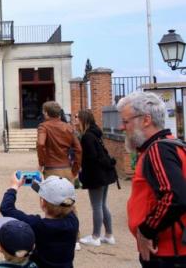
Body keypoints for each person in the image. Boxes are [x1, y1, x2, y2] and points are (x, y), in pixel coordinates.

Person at [118, 91, 186, 267]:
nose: (122, 127)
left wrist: (146, 230)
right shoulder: (173, 145)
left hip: (167, 254)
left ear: (146, 120)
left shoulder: (158, 150)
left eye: (126, 122)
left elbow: (174, 196)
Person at [0, 174, 79, 268]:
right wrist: (41, 186)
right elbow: (65, 204)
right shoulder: (73, 221)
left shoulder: (39, 225)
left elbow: (6, 208)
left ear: (42, 203)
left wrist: (14, 186)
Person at [76, 109, 117, 247]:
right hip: (104, 174)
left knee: (96, 206)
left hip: (96, 176)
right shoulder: (96, 133)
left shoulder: (87, 136)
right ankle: (109, 235)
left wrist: (82, 172)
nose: (75, 120)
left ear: (83, 120)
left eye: (77, 117)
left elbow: (92, 158)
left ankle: (95, 237)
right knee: (102, 204)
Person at [36, 101, 82, 181]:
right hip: (67, 168)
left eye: (43, 112)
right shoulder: (68, 127)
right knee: (67, 193)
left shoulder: (43, 126)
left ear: (46, 113)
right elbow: (78, 149)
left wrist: (41, 163)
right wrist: (75, 169)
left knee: (50, 193)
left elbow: (40, 144)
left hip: (51, 169)